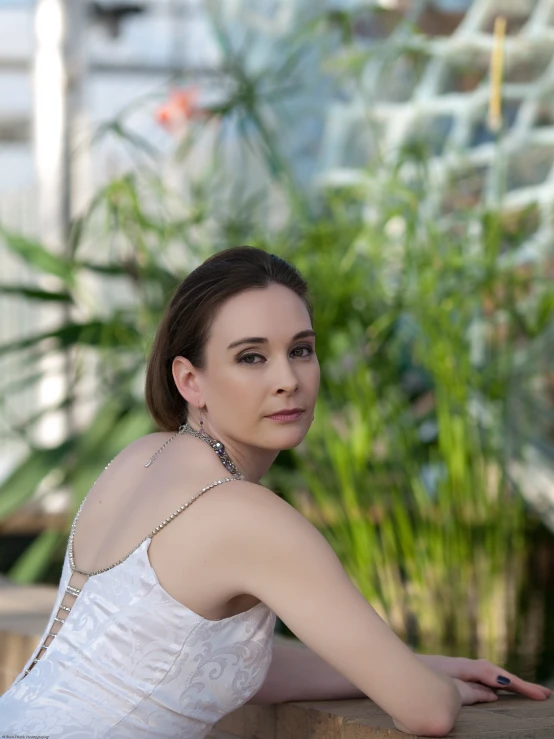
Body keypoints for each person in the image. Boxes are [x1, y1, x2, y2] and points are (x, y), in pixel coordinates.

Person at [0, 246, 549, 737]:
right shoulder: (247, 515)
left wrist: (414, 665)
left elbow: (191, 656)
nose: (287, 378)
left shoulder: (139, 459)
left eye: (302, 350)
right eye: (251, 357)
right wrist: (440, 689)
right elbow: (425, 714)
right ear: (189, 380)